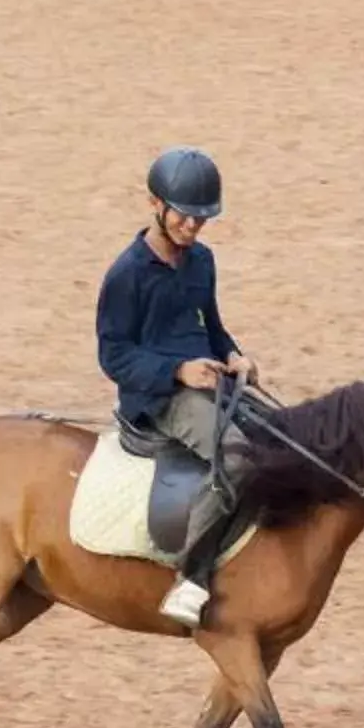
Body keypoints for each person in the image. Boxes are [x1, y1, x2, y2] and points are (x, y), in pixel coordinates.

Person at [95, 147, 261, 626]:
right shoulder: (127, 275)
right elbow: (114, 356)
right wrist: (177, 372)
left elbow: (211, 327)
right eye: (185, 217)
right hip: (157, 399)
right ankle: (190, 577)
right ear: (155, 204)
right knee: (235, 456)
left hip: (207, 379)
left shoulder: (201, 261)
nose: (193, 228)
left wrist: (232, 353)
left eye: (202, 220)